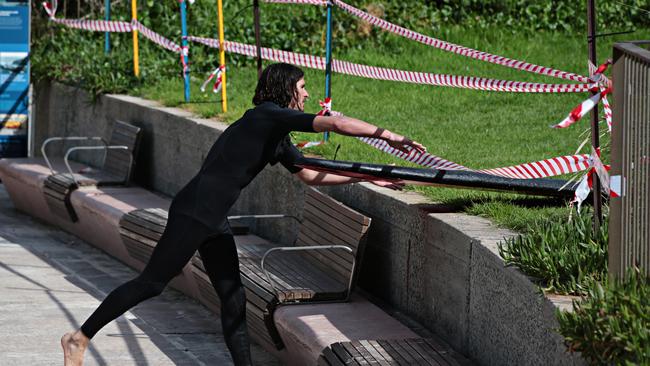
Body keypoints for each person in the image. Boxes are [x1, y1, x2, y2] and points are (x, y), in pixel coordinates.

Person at [60, 63, 425, 366]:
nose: (307, 94)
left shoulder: (274, 133)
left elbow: (311, 176)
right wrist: (390, 136)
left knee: (234, 300)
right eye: (302, 86)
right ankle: (79, 337)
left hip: (211, 218)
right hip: (195, 213)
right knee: (152, 283)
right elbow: (335, 123)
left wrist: (372, 177)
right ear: (286, 89)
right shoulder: (267, 118)